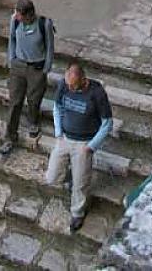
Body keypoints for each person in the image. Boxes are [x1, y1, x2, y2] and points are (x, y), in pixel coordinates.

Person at [46, 61, 113, 232]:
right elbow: (57, 108)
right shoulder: (64, 85)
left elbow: (107, 123)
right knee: (52, 177)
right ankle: (71, 176)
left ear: (83, 80)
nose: (71, 89)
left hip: (84, 143)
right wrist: (58, 132)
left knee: (80, 184)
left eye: (74, 87)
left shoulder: (97, 93)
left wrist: (91, 146)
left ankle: (78, 213)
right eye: (69, 85)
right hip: (65, 138)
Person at [0, 0, 55, 156]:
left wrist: (46, 68)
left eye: (19, 14)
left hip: (36, 68)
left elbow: (50, 47)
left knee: (33, 99)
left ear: (29, 15)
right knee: (15, 102)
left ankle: (33, 121)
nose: (16, 16)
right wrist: (11, 59)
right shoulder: (15, 20)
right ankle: (9, 137)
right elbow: (12, 39)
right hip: (18, 66)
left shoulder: (44, 24)